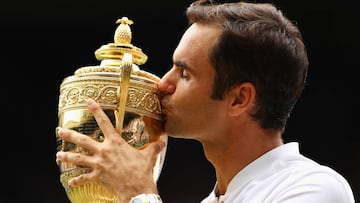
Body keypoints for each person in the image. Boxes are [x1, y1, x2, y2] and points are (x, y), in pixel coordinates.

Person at [56, 0, 355, 202]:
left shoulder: (314, 189)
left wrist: (139, 192)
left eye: (184, 73)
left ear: (239, 99)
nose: (163, 83)